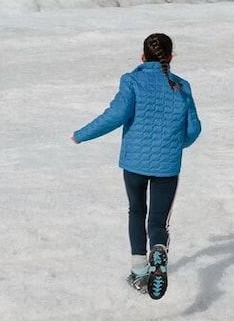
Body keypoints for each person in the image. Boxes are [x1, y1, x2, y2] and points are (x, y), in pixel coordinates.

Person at [72, 32, 202, 301]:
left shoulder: (132, 81)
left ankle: (139, 272)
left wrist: (81, 134)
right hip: (167, 166)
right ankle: (158, 249)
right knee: (157, 220)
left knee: (136, 212)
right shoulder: (181, 86)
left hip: (134, 164)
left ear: (142, 57)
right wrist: (175, 145)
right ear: (171, 57)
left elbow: (116, 115)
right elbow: (193, 129)